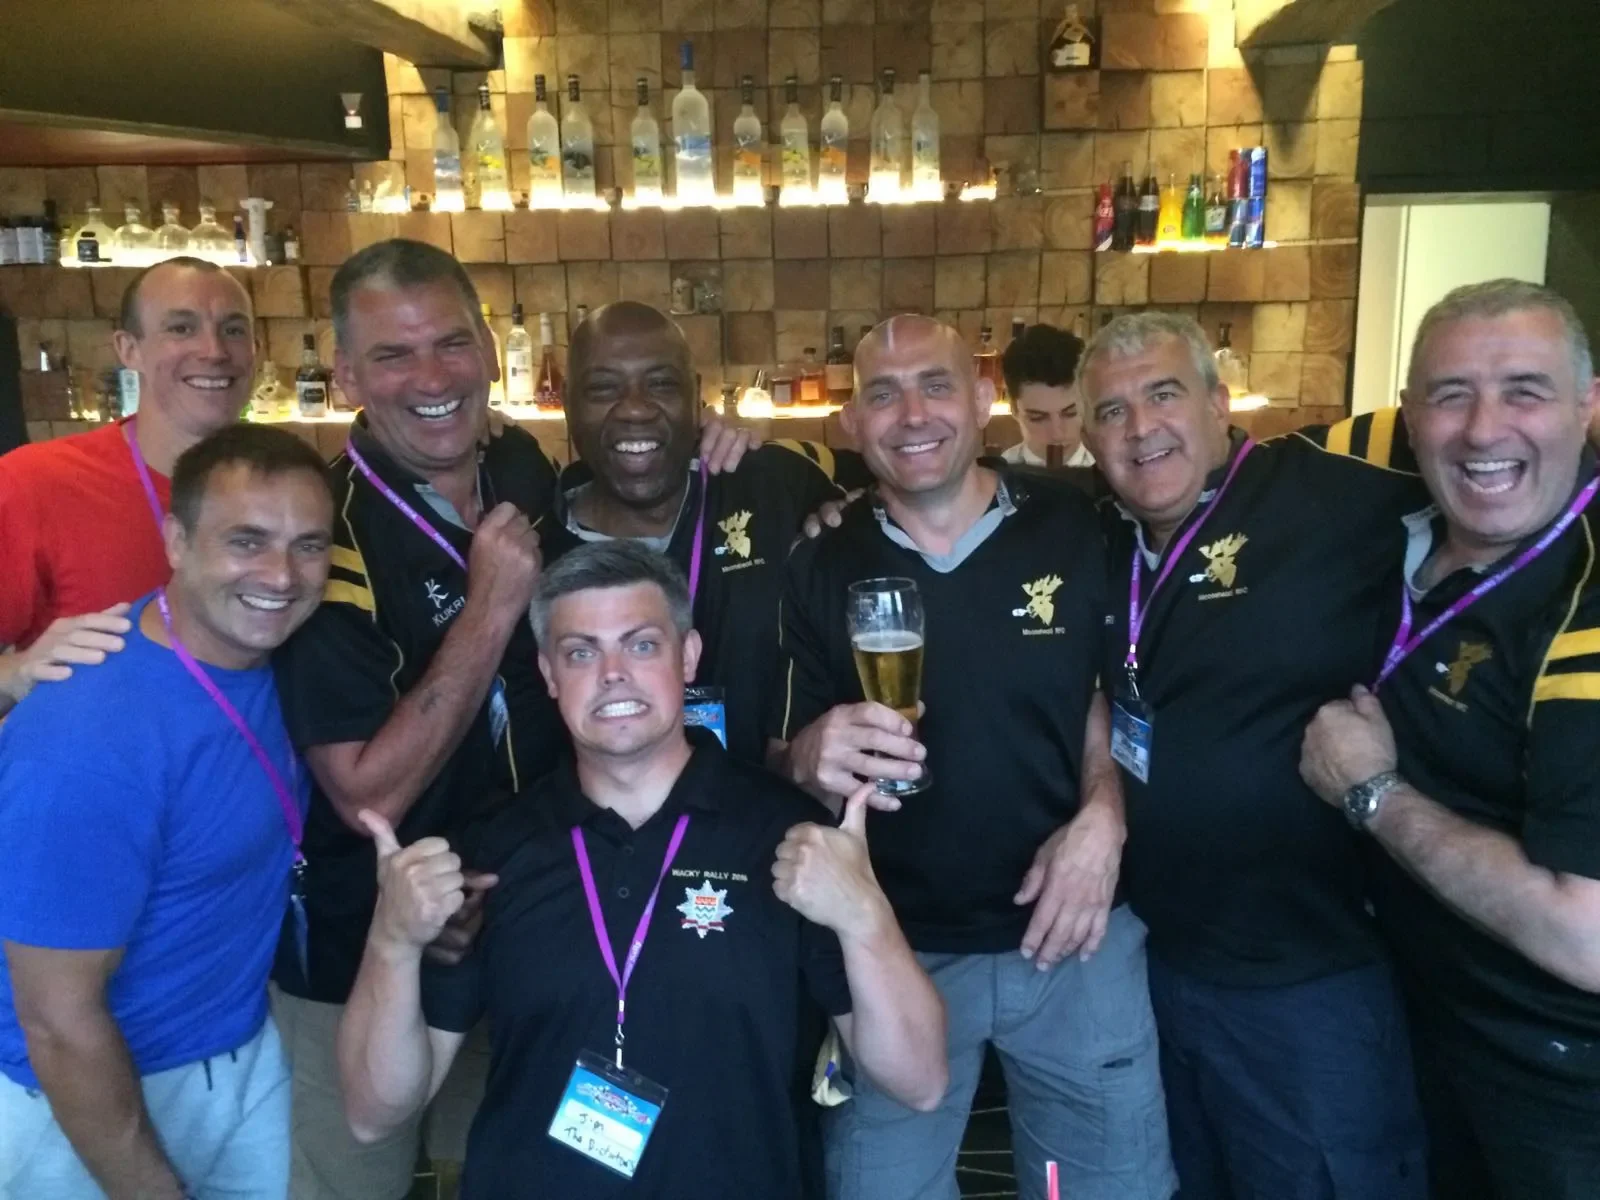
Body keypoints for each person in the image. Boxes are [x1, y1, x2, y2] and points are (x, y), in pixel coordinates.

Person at [268, 241, 756, 1199]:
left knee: (530, 1171)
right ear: (348, 374)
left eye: (451, 343)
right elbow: (365, 788)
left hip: (541, 925)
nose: (432, 378)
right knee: (358, 1172)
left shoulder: (522, 465)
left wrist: (719, 448)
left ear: (492, 349)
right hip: (377, 951)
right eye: (394, 357)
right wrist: (493, 605)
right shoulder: (327, 535)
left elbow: (634, 464)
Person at [336, 540, 947, 1198]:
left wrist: (865, 915)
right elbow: (374, 1114)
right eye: (580, 652)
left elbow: (919, 1080)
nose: (612, 673)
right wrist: (390, 942)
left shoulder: (788, 833)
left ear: (688, 656)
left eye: (642, 644)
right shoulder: (493, 848)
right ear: (547, 674)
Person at [771, 314, 1173, 1200]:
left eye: (937, 385)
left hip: (1074, 938)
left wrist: (1103, 815)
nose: (912, 414)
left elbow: (1109, 691)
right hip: (893, 949)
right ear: (850, 424)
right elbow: (778, 743)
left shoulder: (1080, 523)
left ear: (986, 402)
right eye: (882, 393)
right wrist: (808, 751)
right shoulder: (820, 561)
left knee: (1104, 1192)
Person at [1075, 311, 1429, 1200]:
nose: (1141, 427)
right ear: (1087, 441)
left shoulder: (1333, 492)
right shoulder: (1093, 533)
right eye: (1111, 412)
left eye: (1163, 394)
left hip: (1308, 978)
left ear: (1220, 401)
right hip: (1160, 963)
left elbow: (1481, 438)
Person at [1300, 280, 1600, 1200]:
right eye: (1449, 394)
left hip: (1552, 1082)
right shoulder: (1387, 490)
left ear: (1589, 407)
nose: (1482, 429)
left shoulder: (1584, 610)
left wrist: (1372, 795)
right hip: (1406, 1022)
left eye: (1525, 390)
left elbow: (1586, 934)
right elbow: (1226, 455)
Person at [0, 424, 333, 1198]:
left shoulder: (291, 670)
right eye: (246, 540)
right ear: (176, 541)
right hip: (73, 1106)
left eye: (308, 545)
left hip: (242, 1057)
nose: (281, 575)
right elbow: (57, 1020)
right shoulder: (89, 735)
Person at [543, 300, 874, 765]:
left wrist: (845, 512)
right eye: (603, 388)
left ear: (697, 398)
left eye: (661, 384)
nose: (635, 409)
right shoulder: (536, 551)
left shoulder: (771, 484)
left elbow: (891, 491)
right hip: (606, 833)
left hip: (775, 819)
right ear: (566, 402)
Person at [0, 256, 255, 717]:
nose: (215, 350)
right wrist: (15, 672)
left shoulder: (286, 492)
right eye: (181, 328)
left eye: (234, 330)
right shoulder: (35, 483)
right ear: (128, 349)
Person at [1000, 323, 1095, 469]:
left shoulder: (1114, 475)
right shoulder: (998, 479)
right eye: (1038, 418)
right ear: (1014, 408)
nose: (1057, 434)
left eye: (1070, 413)